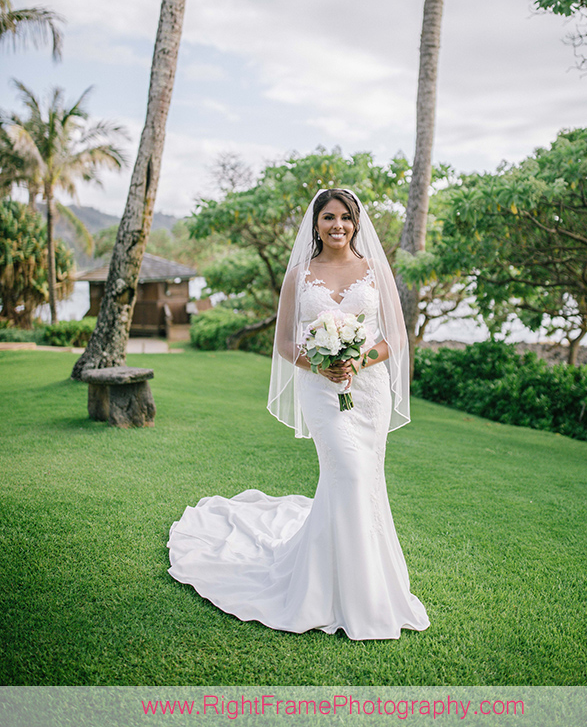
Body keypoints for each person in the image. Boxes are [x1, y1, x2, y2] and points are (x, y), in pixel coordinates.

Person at [168, 188, 429, 640]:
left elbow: (396, 339)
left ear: (357, 222)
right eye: (328, 217)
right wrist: (322, 364)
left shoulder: (372, 273)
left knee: (363, 481)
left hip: (368, 393)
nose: (337, 226)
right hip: (320, 390)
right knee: (346, 472)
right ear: (315, 224)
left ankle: (364, 587)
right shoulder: (299, 275)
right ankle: (340, 595)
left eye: (345, 217)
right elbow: (284, 344)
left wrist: (358, 361)